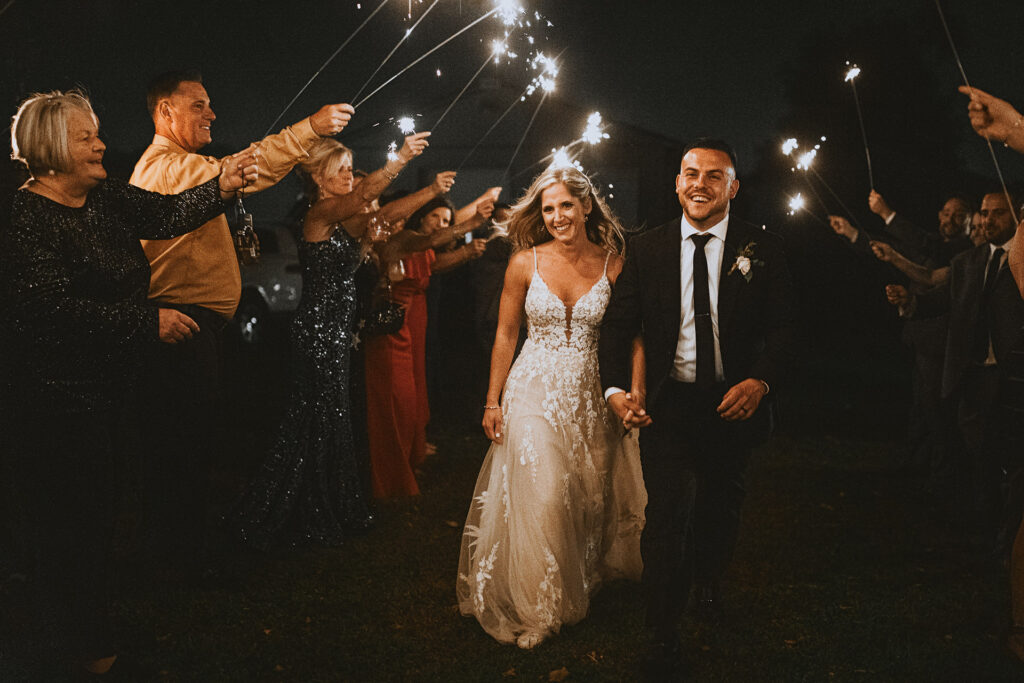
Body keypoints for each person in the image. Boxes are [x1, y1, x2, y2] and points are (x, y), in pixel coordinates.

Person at [0, 89, 255, 678]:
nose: (101, 144)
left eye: (97, 133)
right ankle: (72, 649)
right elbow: (48, 313)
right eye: (86, 136)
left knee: (100, 517)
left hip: (109, 393)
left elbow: (166, 215)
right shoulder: (24, 217)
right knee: (66, 525)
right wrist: (147, 322)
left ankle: (86, 632)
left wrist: (223, 185)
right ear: (49, 146)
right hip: (53, 403)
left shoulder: (107, 197)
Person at [129, 69, 354, 578]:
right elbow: (244, 168)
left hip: (194, 326)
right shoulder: (167, 167)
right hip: (179, 328)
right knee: (179, 448)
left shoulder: (179, 166)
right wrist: (311, 128)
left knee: (187, 444)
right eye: (198, 106)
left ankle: (177, 550)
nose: (212, 114)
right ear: (165, 112)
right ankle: (175, 561)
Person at [598, 138, 797, 678]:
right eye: (690, 173)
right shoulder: (648, 248)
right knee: (667, 517)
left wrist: (760, 381)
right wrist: (616, 391)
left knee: (719, 507)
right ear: (677, 183)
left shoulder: (765, 247)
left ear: (734, 188)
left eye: (714, 175)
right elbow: (618, 326)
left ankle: (709, 581)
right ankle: (661, 632)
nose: (700, 184)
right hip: (671, 406)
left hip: (736, 406)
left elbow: (784, 328)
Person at [231, 133, 453, 548]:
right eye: (343, 169)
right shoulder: (319, 214)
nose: (352, 176)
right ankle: (304, 505)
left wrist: (431, 192)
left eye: (352, 168)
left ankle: (333, 499)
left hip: (339, 332)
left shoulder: (347, 218)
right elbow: (370, 193)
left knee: (334, 417)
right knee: (314, 417)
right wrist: (402, 157)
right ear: (318, 176)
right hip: (317, 330)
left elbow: (385, 213)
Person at [456, 165, 646, 649]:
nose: (557, 216)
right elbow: (505, 332)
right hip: (532, 388)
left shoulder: (615, 262)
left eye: (565, 205)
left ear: (585, 206)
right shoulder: (524, 262)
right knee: (543, 491)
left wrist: (633, 392)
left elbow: (632, 336)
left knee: (585, 493)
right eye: (548, 208)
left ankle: (579, 578)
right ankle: (539, 610)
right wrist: (492, 399)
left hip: (591, 392)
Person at [885, 189, 1024, 550]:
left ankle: (1005, 533)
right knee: (975, 450)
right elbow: (941, 300)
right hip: (972, 372)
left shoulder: (1022, 262)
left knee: (1009, 454)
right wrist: (911, 302)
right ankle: (982, 525)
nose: (988, 220)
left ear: (1017, 218)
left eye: (998, 214)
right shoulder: (968, 261)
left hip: (1013, 376)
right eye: (984, 213)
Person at [365, 196, 488, 498]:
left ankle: (409, 454)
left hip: (413, 318)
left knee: (413, 390)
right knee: (399, 397)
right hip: (392, 324)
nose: (441, 224)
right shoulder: (404, 240)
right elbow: (434, 240)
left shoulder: (415, 241)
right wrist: (471, 224)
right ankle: (395, 466)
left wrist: (468, 252)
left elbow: (436, 261)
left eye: (447, 219)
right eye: (436, 217)